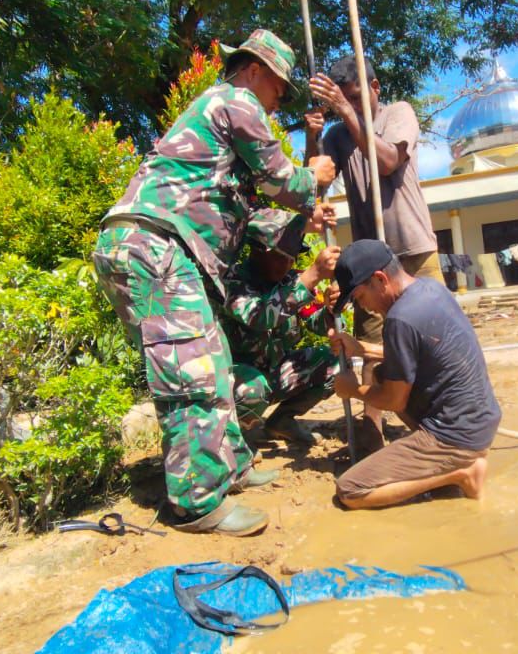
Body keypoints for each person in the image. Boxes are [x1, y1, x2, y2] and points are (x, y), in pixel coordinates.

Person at [93, 29, 336, 536]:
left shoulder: (217, 129)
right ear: (255, 71)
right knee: (194, 375)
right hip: (157, 248)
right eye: (278, 89)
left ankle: (232, 468)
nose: (277, 101)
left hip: (157, 248)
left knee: (214, 365)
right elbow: (280, 182)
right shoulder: (236, 101)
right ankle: (198, 502)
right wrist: (312, 175)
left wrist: (308, 211)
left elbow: (258, 208)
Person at [305, 55, 443, 454]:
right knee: (368, 342)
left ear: (375, 87)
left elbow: (387, 162)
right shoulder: (336, 135)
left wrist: (347, 112)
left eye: (354, 96)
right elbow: (313, 184)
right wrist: (314, 137)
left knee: (430, 336)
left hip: (413, 246)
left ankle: (437, 420)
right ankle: (371, 430)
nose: (347, 104)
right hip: (371, 259)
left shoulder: (398, 114)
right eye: (341, 100)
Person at [326, 240, 501, 510]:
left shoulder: (399, 319)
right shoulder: (430, 288)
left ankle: (461, 472)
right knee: (386, 373)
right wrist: (362, 349)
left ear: (380, 279)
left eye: (361, 298)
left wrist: (352, 389)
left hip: (455, 435)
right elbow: (421, 350)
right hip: (481, 421)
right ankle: (452, 460)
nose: (365, 307)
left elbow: (394, 401)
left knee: (350, 490)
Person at [222, 211, 342, 447]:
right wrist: (313, 274)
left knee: (334, 364)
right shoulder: (233, 282)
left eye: (293, 257)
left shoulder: (291, 281)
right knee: (253, 388)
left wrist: (330, 311)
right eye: (281, 256)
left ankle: (281, 422)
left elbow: (314, 321)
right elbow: (260, 317)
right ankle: (234, 447)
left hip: (275, 373)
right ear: (258, 251)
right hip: (235, 381)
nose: (288, 263)